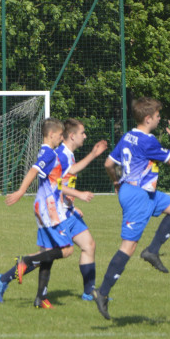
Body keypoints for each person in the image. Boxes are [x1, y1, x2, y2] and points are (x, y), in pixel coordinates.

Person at [91, 97, 170, 321]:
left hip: (139, 191)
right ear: (148, 118)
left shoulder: (128, 136)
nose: (160, 118)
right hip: (138, 196)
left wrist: (116, 182)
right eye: (158, 116)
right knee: (128, 246)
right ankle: (102, 293)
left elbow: (108, 164)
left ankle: (152, 251)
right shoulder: (147, 141)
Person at [0, 118, 96, 308]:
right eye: (59, 135)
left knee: (50, 252)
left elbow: (56, 182)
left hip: (50, 206)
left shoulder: (49, 153)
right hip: (48, 208)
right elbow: (33, 171)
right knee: (66, 250)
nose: (61, 137)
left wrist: (71, 205)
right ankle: (23, 263)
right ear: (51, 135)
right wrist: (21, 191)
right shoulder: (49, 154)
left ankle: (40, 297)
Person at [56, 118, 108, 300]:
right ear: (72, 136)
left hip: (67, 211)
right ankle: (8, 276)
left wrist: (72, 205)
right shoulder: (61, 155)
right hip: (56, 214)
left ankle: (89, 293)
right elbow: (56, 186)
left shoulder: (69, 154)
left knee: (89, 245)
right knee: (53, 255)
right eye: (82, 133)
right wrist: (78, 194)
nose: (85, 136)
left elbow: (66, 181)